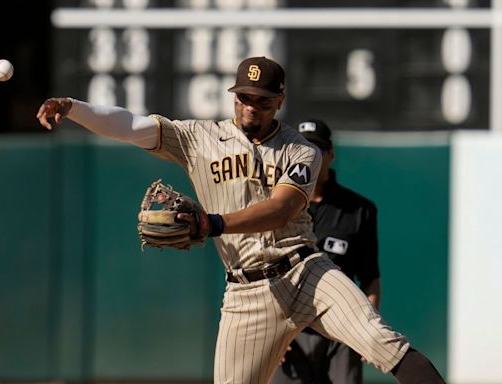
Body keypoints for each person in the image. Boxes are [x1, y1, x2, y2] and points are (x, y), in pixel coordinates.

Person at [36, 56, 445, 384]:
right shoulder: (198, 138)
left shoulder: (301, 150)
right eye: (244, 97)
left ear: (279, 99)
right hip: (246, 292)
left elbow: (283, 209)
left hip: (308, 271)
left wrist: (213, 223)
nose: (251, 106)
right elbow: (130, 126)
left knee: (384, 342)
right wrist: (74, 108)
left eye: (262, 99)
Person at [272, 119, 381, 384]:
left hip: (341, 330)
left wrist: (366, 329)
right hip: (291, 329)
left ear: (331, 154)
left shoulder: (358, 210)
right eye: (301, 148)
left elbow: (370, 278)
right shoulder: (274, 207)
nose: (309, 156)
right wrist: (271, 331)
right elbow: (260, 271)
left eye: (317, 149)